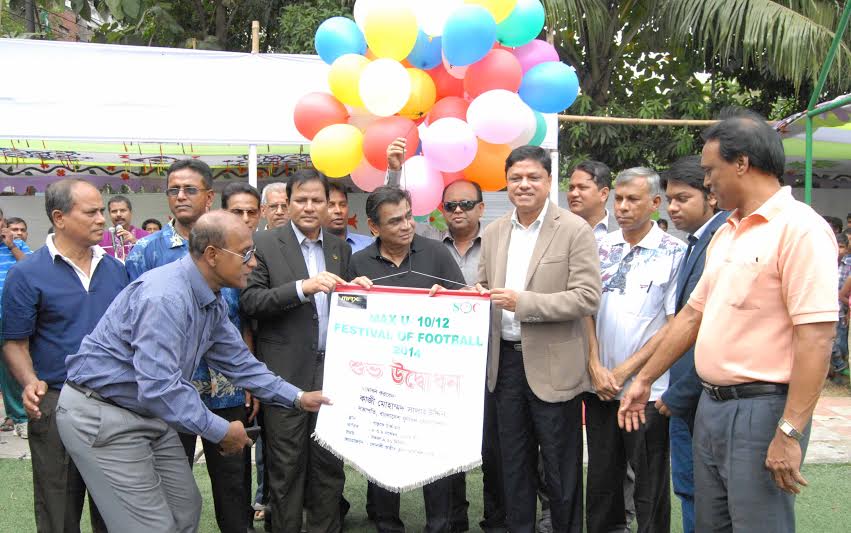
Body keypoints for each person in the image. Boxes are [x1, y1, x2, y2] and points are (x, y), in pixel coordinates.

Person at [619, 110, 838, 533]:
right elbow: (691, 317)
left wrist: (789, 430)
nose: (707, 182)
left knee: (759, 524)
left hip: (762, 409)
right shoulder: (727, 231)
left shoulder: (800, 229)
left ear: (741, 163)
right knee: (710, 524)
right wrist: (644, 379)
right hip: (711, 407)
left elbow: (816, 338)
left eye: (710, 170)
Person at [53, 211, 332, 533]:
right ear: (212, 255)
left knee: (184, 509)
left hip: (148, 412)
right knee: (152, 527)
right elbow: (160, 388)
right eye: (245, 254)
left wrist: (298, 397)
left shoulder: (209, 298)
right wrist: (221, 430)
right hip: (103, 414)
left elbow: (240, 363)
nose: (253, 263)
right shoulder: (165, 297)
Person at [475, 146, 601, 533]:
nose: (524, 185)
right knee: (513, 468)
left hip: (554, 368)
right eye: (516, 178)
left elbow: (587, 297)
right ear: (506, 184)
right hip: (505, 367)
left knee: (561, 472)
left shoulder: (574, 229)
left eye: (533, 177)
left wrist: (524, 303)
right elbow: (483, 286)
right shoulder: (494, 231)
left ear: (549, 182)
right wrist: (459, 297)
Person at [2, 179, 129, 533]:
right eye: (91, 212)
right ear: (59, 218)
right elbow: (14, 342)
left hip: (115, 402)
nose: (102, 219)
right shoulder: (26, 273)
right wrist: (30, 382)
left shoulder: (117, 270)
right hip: (57, 402)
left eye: (102, 210)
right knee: (57, 507)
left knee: (116, 511)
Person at [349, 186, 469, 533]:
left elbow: (465, 307)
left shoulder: (437, 253)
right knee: (382, 455)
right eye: (395, 221)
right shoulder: (359, 262)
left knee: (436, 457)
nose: (406, 226)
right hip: (382, 381)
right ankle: (387, 524)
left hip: (432, 379)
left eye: (408, 216)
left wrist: (450, 300)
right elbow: (348, 316)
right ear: (374, 227)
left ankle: (441, 526)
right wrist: (353, 294)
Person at [240, 169, 352, 533]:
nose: (309, 207)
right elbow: (250, 301)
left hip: (332, 373)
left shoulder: (339, 247)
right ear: (288, 204)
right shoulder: (263, 243)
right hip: (284, 373)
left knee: (329, 464)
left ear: (328, 205)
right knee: (285, 467)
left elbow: (348, 303)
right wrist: (303, 288)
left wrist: (361, 291)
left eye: (317, 200)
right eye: (301, 200)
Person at [584, 167, 685, 533]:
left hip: (647, 391)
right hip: (600, 387)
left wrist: (626, 371)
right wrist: (595, 364)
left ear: (655, 203)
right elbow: (585, 310)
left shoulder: (675, 253)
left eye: (633, 200)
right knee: (601, 482)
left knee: (649, 485)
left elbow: (674, 325)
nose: (622, 207)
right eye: (619, 199)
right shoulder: (599, 247)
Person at [177, 181, 262, 533]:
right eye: (175, 189)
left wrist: (292, 395)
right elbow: (156, 380)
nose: (252, 263)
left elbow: (238, 336)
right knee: (174, 486)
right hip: (176, 393)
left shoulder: (232, 267)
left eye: (191, 189)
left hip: (227, 389)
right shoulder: (157, 274)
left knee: (233, 484)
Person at [658, 155, 727, 533]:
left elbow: (707, 325)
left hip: (700, 395)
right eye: (670, 199)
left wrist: (680, 392)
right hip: (690, 395)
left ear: (710, 196)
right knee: (690, 490)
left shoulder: (720, 241)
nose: (673, 207)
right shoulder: (697, 241)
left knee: (701, 495)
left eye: (682, 198)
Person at [125, 159, 215, 280]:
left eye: (190, 190)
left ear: (209, 198)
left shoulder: (227, 244)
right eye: (174, 190)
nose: (180, 196)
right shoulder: (144, 250)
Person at [0, 209, 32, 437]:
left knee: (11, 368)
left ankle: (20, 417)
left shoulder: (16, 245)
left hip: (10, 315)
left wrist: (12, 246)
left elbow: (32, 269)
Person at [567, 160, 618, 241]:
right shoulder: (556, 231)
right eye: (571, 188)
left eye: (582, 187)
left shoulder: (624, 232)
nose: (573, 193)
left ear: (603, 194)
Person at [97, 195, 151, 260]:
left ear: (131, 212)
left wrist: (136, 242)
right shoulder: (100, 238)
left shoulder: (146, 236)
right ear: (109, 214)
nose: (118, 214)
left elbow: (155, 257)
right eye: (114, 211)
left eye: (122, 210)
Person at [326, 182, 373, 253]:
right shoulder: (313, 248)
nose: (338, 210)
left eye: (343, 205)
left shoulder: (368, 244)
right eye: (331, 205)